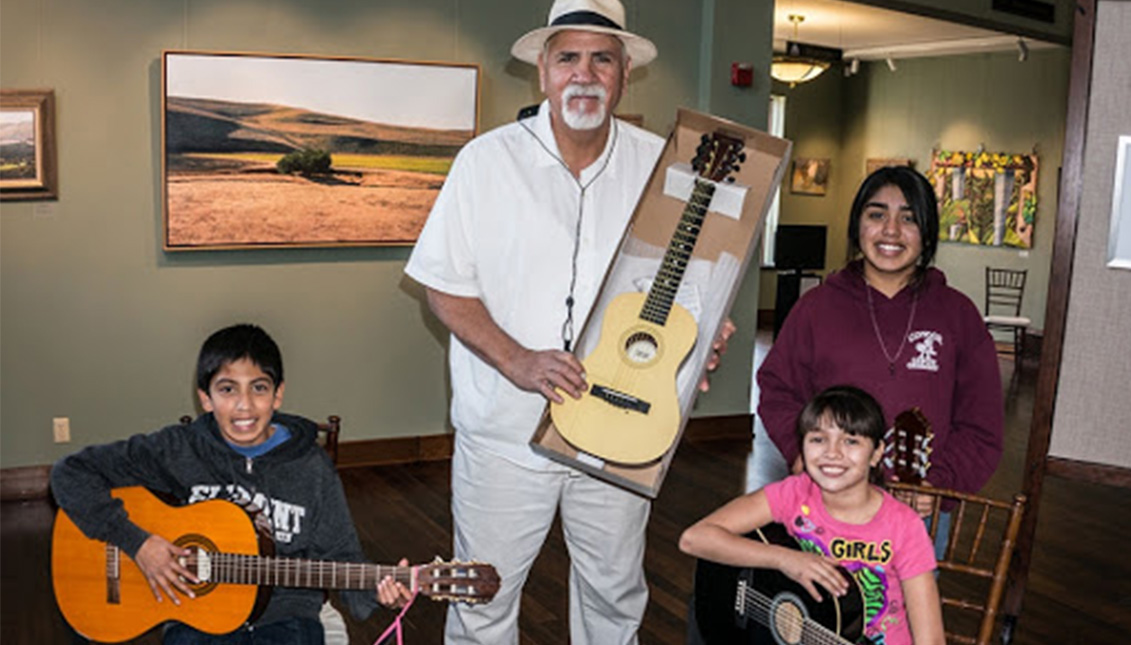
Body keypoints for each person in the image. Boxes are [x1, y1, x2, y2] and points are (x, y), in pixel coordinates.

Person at [405, 1, 731, 642]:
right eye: (568, 58)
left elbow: (692, 288)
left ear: (625, 73)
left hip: (621, 434)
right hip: (504, 435)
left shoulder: (665, 170)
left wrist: (702, 337)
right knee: (481, 598)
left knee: (614, 598)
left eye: (602, 58)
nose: (585, 73)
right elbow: (444, 288)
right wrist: (518, 360)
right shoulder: (485, 163)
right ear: (542, 73)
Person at [50, 324, 410, 644]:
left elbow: (341, 554)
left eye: (259, 388)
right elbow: (70, 472)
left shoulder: (311, 467)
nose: (244, 405)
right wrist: (137, 543)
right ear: (205, 398)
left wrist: (379, 592)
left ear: (278, 394)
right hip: (193, 614)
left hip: (287, 617)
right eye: (227, 389)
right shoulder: (180, 448)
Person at [752, 166, 1003, 526]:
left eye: (909, 218)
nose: (891, 230)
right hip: (828, 500)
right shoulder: (816, 307)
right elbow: (778, 390)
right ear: (858, 225)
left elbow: (982, 423)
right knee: (817, 583)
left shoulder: (958, 314)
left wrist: (940, 482)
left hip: (918, 514)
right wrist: (800, 452)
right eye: (876, 215)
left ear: (927, 232)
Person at [681, 385, 945, 645]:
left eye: (851, 441)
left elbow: (931, 638)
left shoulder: (903, 526)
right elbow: (695, 539)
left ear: (876, 453)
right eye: (818, 439)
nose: (832, 453)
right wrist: (786, 560)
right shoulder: (795, 494)